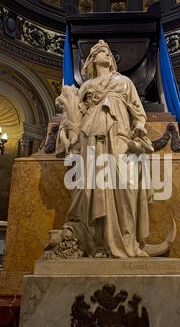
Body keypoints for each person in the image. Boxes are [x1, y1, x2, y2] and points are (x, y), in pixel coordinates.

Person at [56, 40, 154, 258]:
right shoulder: (87, 87)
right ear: (91, 59)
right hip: (91, 139)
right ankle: (100, 244)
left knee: (126, 186)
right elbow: (72, 116)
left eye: (109, 52)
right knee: (96, 189)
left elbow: (138, 113)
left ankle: (128, 241)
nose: (107, 54)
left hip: (120, 136)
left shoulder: (124, 82)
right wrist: (66, 133)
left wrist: (138, 128)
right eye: (101, 52)